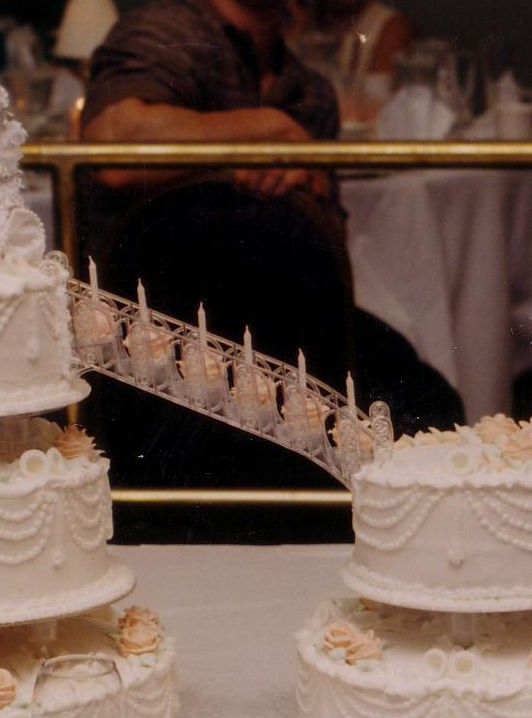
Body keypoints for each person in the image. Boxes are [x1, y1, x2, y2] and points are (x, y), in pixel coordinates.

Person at [76, 0, 458, 538]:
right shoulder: (170, 27)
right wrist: (264, 130)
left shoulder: (308, 90)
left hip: (291, 338)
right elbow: (114, 140)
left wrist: (308, 183)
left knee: (430, 410)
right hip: (161, 349)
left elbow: (331, 239)